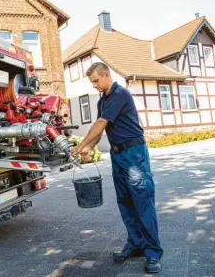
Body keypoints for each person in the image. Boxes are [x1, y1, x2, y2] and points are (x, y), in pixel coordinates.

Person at [71, 62, 163, 274]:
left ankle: (153, 253)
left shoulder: (120, 94)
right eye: (92, 82)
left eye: (95, 81)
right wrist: (89, 148)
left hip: (134, 154)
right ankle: (136, 244)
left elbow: (101, 124)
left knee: (142, 200)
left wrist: (80, 146)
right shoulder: (102, 101)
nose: (94, 85)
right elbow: (101, 130)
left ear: (105, 75)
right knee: (125, 201)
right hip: (117, 154)